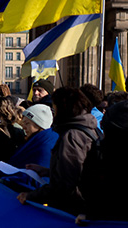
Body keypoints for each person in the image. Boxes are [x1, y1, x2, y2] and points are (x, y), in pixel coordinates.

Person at [18, 87, 99, 215]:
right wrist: (48, 172)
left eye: (54, 107)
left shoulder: (72, 136)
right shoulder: (87, 127)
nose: (53, 111)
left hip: (72, 208)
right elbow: (76, 171)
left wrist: (30, 196)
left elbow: (64, 184)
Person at [4, 104, 58, 173]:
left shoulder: (45, 146)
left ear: (39, 125)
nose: (23, 127)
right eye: (23, 123)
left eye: (27, 123)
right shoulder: (36, 140)